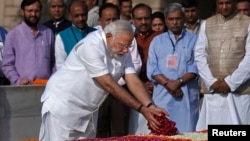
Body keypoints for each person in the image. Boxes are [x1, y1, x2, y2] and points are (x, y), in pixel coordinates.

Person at [39, 20, 167, 140]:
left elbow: (131, 78)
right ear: (109, 36)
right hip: (64, 106)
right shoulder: (91, 46)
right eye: (123, 45)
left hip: (88, 110)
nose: (126, 50)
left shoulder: (123, 49)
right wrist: (141, 109)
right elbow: (109, 85)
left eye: (128, 46)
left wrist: (150, 106)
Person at [195, 0, 250, 131]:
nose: (224, 7)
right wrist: (211, 81)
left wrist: (231, 83)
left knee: (238, 131)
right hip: (213, 91)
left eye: (228, 3)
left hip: (239, 92)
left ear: (235, 2)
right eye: (221, 3)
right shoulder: (207, 24)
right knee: (211, 131)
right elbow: (199, 55)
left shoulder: (247, 23)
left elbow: (249, 58)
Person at [147, 3, 199, 133]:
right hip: (163, 95)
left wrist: (178, 82)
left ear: (183, 19)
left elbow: (196, 66)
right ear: (166, 21)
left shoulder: (195, 40)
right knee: (162, 132)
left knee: (187, 133)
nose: (174, 22)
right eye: (171, 19)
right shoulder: (157, 41)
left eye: (178, 18)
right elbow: (152, 68)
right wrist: (168, 84)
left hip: (186, 94)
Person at [94, 3, 142, 137]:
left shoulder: (126, 36)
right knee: (99, 130)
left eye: (114, 19)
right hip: (99, 91)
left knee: (120, 132)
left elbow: (133, 66)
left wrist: (147, 106)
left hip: (121, 89)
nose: (111, 23)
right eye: (107, 20)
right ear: (100, 21)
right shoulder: (93, 42)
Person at [2, 0, 55, 85]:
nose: (33, 14)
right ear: (22, 12)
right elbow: (7, 65)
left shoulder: (48, 33)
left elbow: (54, 62)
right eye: (30, 11)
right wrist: (18, 81)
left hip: (46, 88)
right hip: (22, 90)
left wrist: (53, 80)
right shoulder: (13, 35)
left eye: (36, 11)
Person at [129, 3, 162, 134]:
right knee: (136, 129)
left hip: (158, 88)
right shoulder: (129, 38)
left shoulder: (160, 37)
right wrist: (141, 84)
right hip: (134, 89)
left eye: (147, 18)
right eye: (139, 19)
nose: (143, 22)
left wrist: (155, 83)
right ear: (133, 20)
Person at [55, 0, 96, 69]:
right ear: (70, 16)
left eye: (83, 15)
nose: (81, 19)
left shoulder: (96, 33)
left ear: (87, 14)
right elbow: (60, 66)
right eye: (76, 16)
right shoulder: (61, 37)